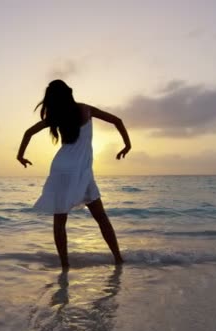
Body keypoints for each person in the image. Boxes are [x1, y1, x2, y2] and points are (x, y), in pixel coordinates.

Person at [16, 80, 131, 268]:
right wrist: (127, 145)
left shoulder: (57, 117)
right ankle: (118, 259)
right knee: (101, 217)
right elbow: (117, 121)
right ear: (69, 93)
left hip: (63, 169)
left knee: (60, 220)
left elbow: (28, 132)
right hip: (80, 171)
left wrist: (20, 156)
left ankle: (65, 265)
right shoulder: (86, 109)